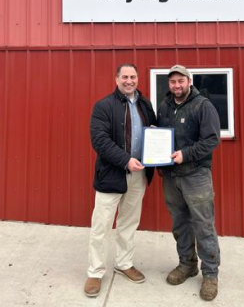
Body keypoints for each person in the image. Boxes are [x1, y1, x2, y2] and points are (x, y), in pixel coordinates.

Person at [84, 64, 156, 298]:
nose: (129, 80)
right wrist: (126, 160)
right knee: (102, 225)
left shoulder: (145, 104)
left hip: (138, 174)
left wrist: (156, 142)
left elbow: (153, 132)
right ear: (116, 79)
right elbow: (100, 141)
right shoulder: (103, 106)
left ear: (138, 79)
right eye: (124, 77)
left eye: (133, 77)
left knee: (129, 222)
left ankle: (124, 263)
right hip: (111, 173)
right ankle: (95, 272)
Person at [158, 65, 221, 302]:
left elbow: (211, 140)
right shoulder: (165, 106)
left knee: (203, 225)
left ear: (189, 81)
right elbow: (160, 135)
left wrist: (186, 154)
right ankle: (187, 264)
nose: (177, 86)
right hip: (171, 176)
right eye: (173, 82)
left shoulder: (202, 105)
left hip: (196, 175)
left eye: (180, 81)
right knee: (180, 224)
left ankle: (211, 274)